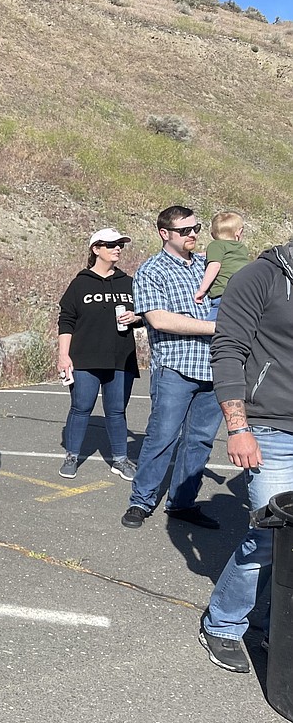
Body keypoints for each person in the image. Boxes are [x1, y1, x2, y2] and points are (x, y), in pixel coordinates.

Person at [198, 238, 293, 673]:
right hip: (270, 428)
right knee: (271, 536)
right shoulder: (260, 276)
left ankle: (281, 626)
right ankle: (223, 624)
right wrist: (238, 428)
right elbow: (228, 349)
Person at [120, 205, 221, 529]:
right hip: (176, 367)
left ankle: (182, 502)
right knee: (162, 437)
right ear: (165, 233)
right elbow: (158, 319)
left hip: (214, 368)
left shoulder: (206, 264)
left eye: (196, 228)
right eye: (185, 230)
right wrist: (216, 327)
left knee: (201, 441)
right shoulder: (152, 271)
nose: (193, 234)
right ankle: (141, 501)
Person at [56, 228, 142, 481]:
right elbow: (66, 321)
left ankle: (120, 459)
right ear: (96, 249)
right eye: (111, 245)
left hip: (120, 358)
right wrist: (64, 355)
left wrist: (136, 317)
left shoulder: (129, 282)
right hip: (84, 358)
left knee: (116, 411)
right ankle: (72, 455)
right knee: (81, 407)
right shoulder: (80, 283)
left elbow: (147, 314)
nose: (117, 249)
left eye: (120, 245)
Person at [194, 211, 250, 321]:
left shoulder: (215, 245)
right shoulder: (241, 248)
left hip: (224, 294)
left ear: (212, 234)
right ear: (239, 232)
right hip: (244, 294)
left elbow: (214, 266)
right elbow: (228, 257)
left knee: (210, 325)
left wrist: (201, 290)